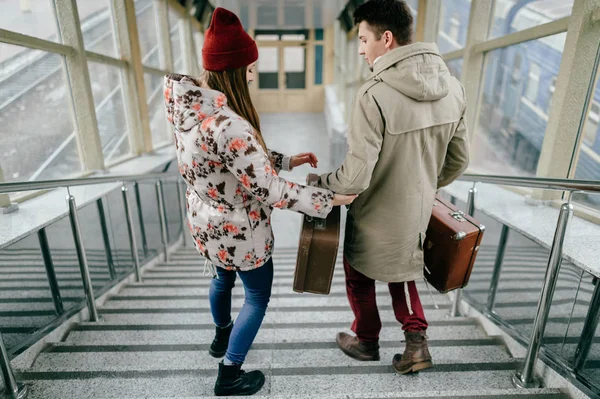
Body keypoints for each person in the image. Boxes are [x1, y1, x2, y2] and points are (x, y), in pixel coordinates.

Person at [164, 7, 356, 396]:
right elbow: (270, 189)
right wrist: (328, 199)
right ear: (237, 69)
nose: (253, 73)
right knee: (256, 297)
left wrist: (286, 159)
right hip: (241, 231)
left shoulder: (188, 112)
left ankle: (221, 336)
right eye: (250, 67)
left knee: (221, 279)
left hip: (207, 225)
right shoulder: (229, 124)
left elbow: (230, 164)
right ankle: (230, 373)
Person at [317, 0, 469, 374]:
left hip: (373, 212)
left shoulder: (373, 94)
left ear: (386, 39)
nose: (361, 48)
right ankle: (416, 343)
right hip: (415, 211)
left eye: (364, 39)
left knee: (358, 275)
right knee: (404, 272)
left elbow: (355, 176)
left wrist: (320, 184)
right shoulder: (453, 88)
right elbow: (459, 159)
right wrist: (421, 186)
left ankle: (367, 341)